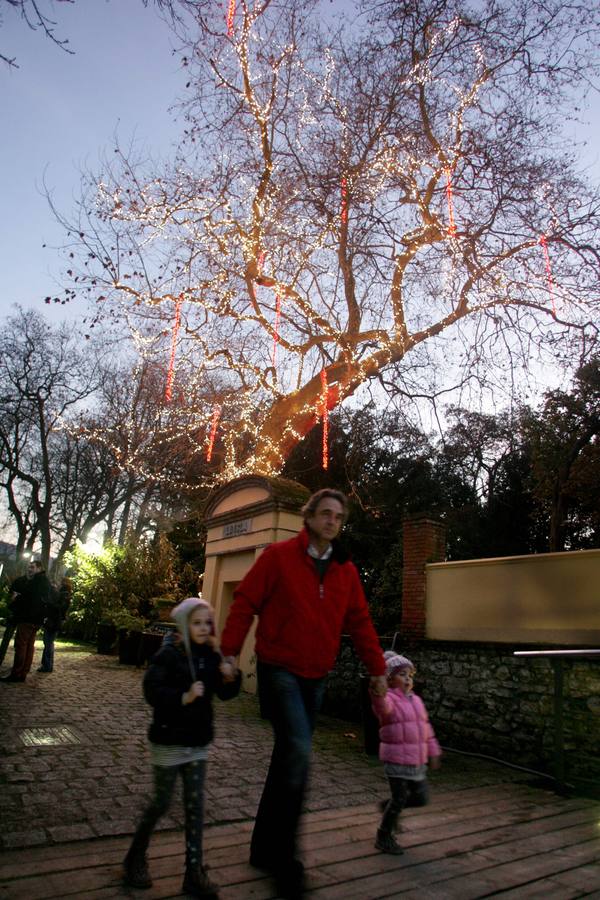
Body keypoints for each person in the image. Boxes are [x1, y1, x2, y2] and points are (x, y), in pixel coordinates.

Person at [220, 488, 387, 899]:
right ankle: (284, 858)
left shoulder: (345, 570)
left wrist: (378, 670)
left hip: (316, 675)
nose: (332, 521)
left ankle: (262, 848)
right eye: (325, 514)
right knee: (297, 752)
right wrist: (227, 654)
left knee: (287, 760)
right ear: (308, 517)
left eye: (339, 517)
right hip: (278, 669)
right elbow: (244, 603)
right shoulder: (277, 557)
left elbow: (361, 622)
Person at [123, 597, 240, 898]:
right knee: (161, 802)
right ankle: (135, 856)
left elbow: (224, 694)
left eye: (207, 623)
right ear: (185, 625)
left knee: (195, 807)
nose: (203, 628)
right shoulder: (169, 654)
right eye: (196, 622)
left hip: (198, 742)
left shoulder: (210, 655)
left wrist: (231, 677)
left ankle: (194, 871)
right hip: (168, 741)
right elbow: (152, 689)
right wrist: (183, 697)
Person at [370, 651, 442, 855]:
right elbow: (381, 707)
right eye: (402, 674)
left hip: (416, 760)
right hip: (396, 759)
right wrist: (377, 692)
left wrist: (433, 752)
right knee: (400, 798)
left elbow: (426, 728)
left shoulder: (416, 701)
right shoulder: (389, 700)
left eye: (410, 674)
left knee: (420, 798)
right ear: (390, 679)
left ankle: (388, 806)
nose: (408, 678)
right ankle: (383, 836)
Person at [1, 560, 53, 683]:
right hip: (37, 619)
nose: (30, 569)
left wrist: (16, 598)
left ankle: (17, 673)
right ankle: (23, 672)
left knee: (21, 645)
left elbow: (28, 598)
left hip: (28, 618)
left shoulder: (36, 581)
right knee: (29, 645)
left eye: (32, 567)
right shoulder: (44, 581)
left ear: (39, 568)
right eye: (29, 567)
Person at [38, 575, 71, 673]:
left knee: (48, 642)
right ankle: (47, 664)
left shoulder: (63, 593)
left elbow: (60, 607)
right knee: (48, 642)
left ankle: (47, 665)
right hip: (56, 620)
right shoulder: (65, 594)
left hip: (54, 620)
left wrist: (49, 604)